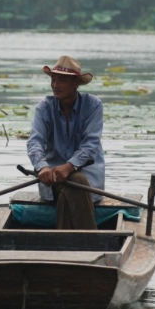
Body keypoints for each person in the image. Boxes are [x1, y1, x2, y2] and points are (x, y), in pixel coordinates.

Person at [26, 55, 105, 230]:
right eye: (53, 80)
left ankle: (66, 240)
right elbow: (35, 142)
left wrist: (69, 166)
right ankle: (90, 242)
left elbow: (90, 145)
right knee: (76, 183)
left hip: (89, 179)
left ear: (76, 83)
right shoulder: (45, 107)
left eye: (61, 80)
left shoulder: (93, 105)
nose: (55, 85)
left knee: (76, 181)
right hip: (52, 178)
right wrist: (42, 167)